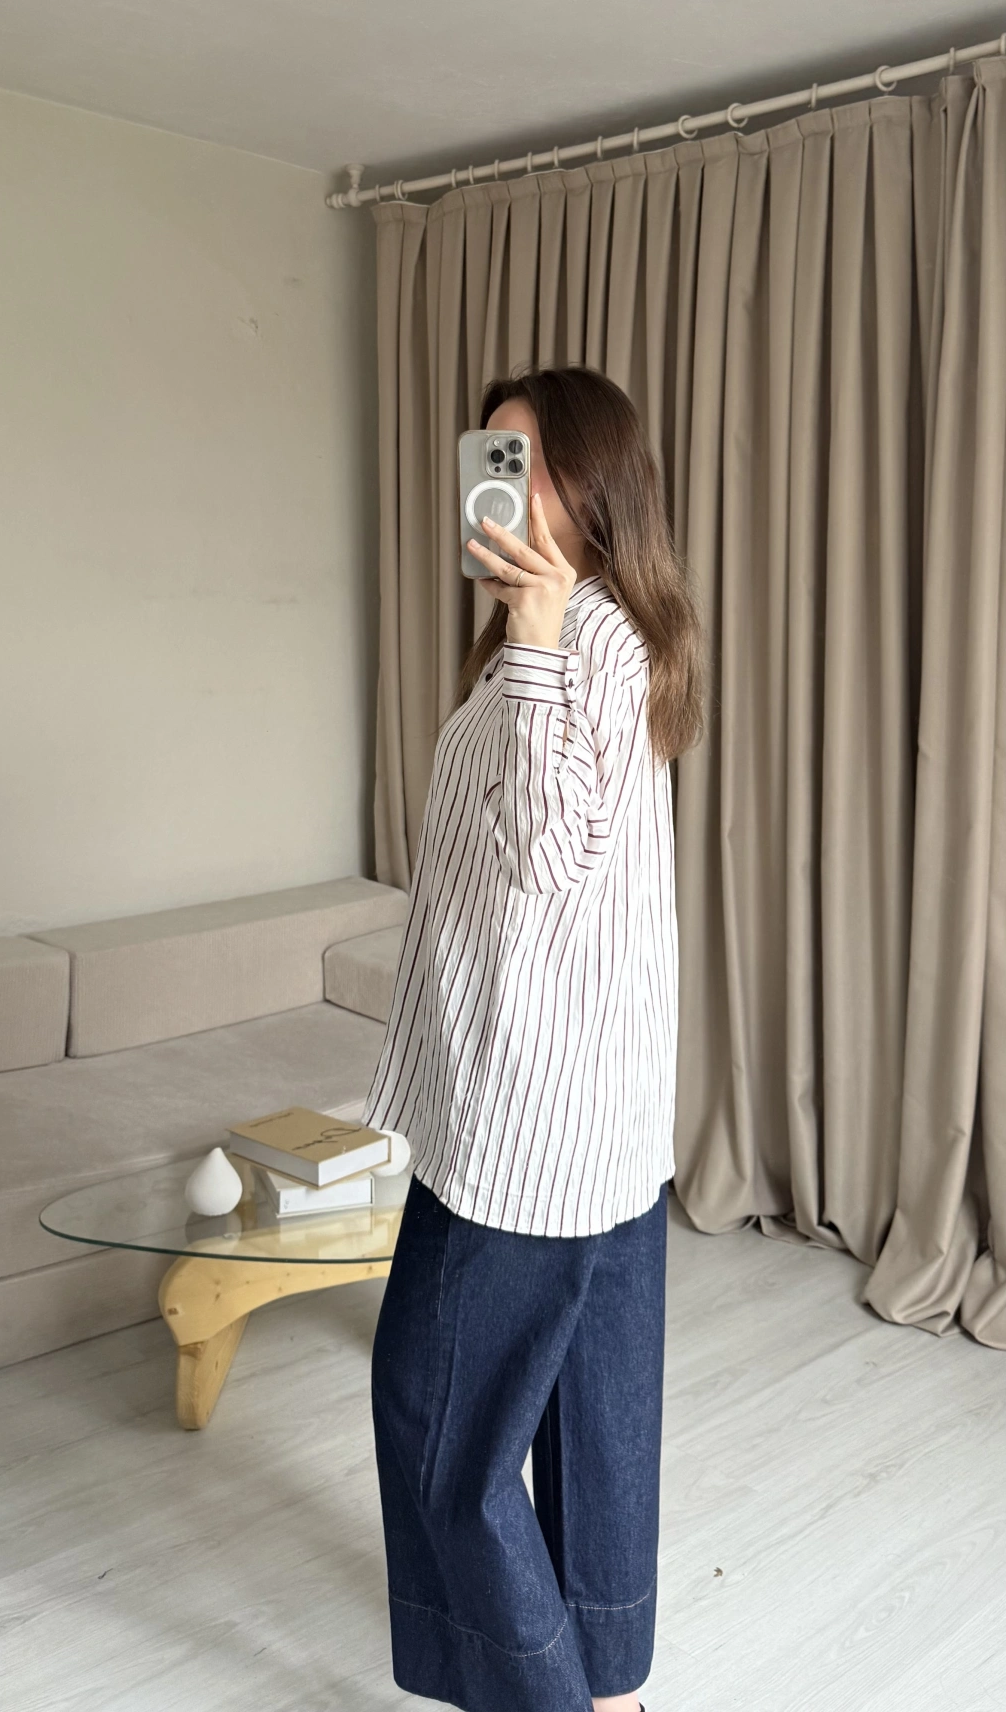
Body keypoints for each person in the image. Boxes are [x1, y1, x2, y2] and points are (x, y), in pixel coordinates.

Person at [359, 365, 704, 1712]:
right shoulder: (584, 638)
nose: (492, 487)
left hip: (523, 1130)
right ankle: (607, 1688)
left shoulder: (584, 644)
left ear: (593, 488)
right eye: (486, 457)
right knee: (592, 1427)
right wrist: (532, 639)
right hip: (597, 1124)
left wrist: (543, 641)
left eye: (524, 463)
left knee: (435, 1424)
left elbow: (552, 864)